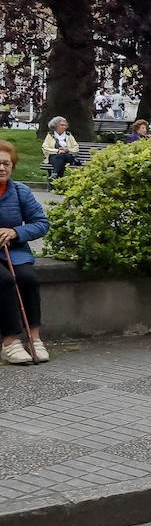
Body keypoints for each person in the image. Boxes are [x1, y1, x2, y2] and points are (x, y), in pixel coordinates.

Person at [0, 141, 50, 366]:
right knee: (5, 280)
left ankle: (34, 338)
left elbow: (41, 223)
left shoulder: (20, 191)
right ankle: (10, 341)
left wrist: (15, 232)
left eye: (6, 163)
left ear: (12, 166)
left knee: (28, 278)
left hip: (14, 251)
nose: (2, 168)